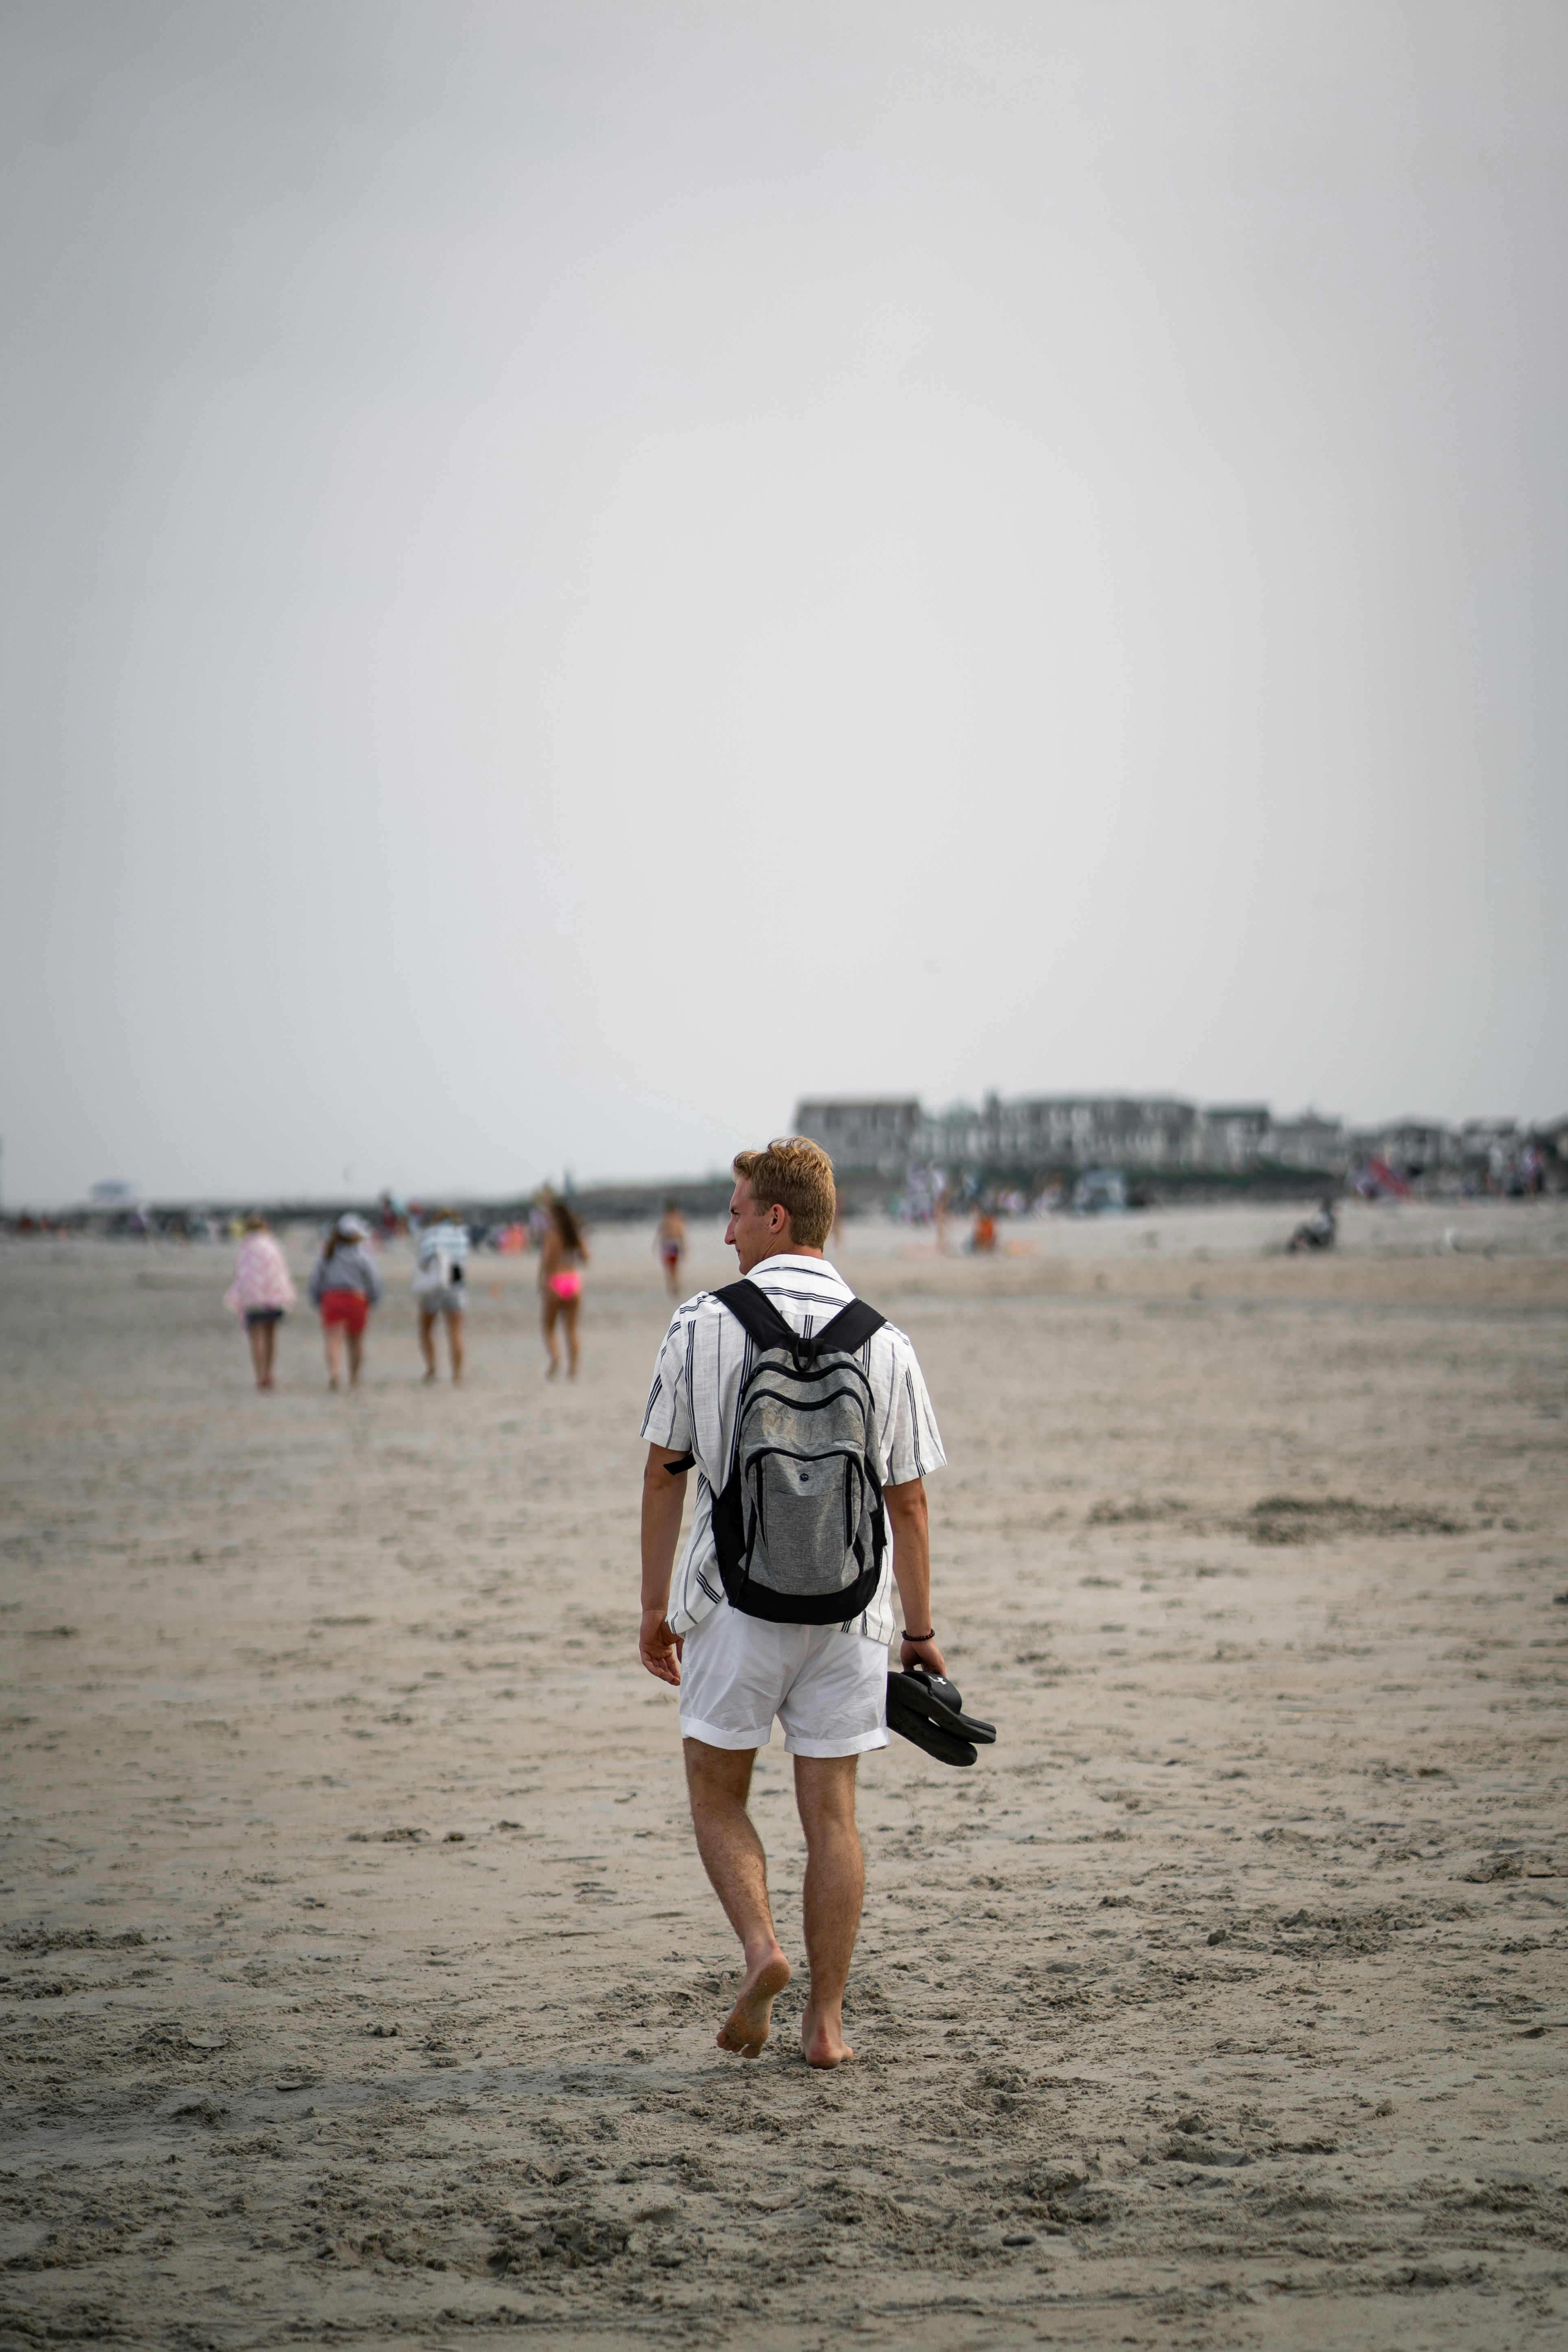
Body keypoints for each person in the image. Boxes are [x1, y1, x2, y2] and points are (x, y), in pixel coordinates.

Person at [638, 1136, 947, 2070]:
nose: (723, 1230)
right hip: (852, 1613)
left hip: (733, 1602)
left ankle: (760, 1947)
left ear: (776, 1217)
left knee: (716, 1793)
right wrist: (921, 1632)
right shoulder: (884, 1339)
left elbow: (664, 1474)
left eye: (734, 1211)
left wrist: (653, 1607)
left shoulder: (700, 1323)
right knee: (834, 1818)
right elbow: (909, 1498)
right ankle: (825, 2025)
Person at [308, 1214, 383, 1390]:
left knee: (333, 1340)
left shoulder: (327, 1253)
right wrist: (375, 1298)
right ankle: (354, 1378)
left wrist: (316, 1298)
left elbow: (316, 1279)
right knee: (356, 1341)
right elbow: (374, 1280)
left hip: (332, 1298)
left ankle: (334, 1374)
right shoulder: (363, 1256)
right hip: (357, 1299)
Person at [224, 1214, 295, 1389]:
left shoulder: (244, 1247)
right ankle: (269, 1373)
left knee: (255, 1337)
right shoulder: (273, 1245)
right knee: (271, 1336)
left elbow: (239, 1273)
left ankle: (259, 1375)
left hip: (252, 1299)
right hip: (273, 1297)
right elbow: (281, 1272)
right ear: (265, 1227)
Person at [412, 1207, 470, 1383]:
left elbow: (423, 1261)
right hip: (456, 1281)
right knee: (455, 1332)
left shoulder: (431, 1234)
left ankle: (432, 1368)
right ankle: (457, 1374)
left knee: (427, 1329)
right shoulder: (461, 1235)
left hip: (435, 1283)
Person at [538, 1197, 588, 1378]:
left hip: (556, 1281)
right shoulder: (573, 1233)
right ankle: (573, 1370)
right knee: (572, 1329)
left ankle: (556, 1356)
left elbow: (545, 1260)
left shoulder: (552, 1234)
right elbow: (586, 1257)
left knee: (548, 1327)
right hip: (573, 1281)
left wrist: (541, 1281)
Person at [655, 1199, 687, 1298]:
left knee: (669, 1269)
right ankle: (675, 1288)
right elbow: (681, 1234)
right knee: (675, 1269)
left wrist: (655, 1246)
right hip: (674, 1245)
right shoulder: (678, 1218)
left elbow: (660, 1233)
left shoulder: (666, 1218)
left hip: (667, 1245)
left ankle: (671, 1289)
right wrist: (684, 1248)